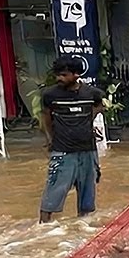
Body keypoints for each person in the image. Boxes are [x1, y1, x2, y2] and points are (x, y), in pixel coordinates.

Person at [38, 56, 105, 223]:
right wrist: (50, 139)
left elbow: (99, 106)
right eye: (57, 75)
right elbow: (46, 117)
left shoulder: (92, 93)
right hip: (62, 150)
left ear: (76, 74)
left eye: (63, 75)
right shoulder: (50, 95)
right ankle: (43, 230)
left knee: (87, 196)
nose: (59, 79)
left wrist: (87, 119)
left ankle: (83, 229)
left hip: (88, 150)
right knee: (53, 191)